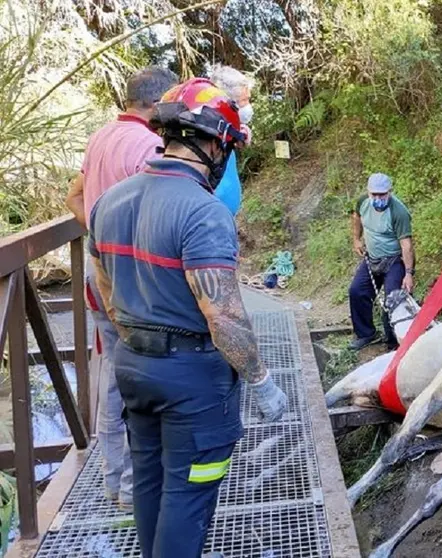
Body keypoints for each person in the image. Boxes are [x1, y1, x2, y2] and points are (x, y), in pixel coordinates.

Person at [88, 78, 288, 558]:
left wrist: (137, 341)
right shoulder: (203, 213)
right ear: (215, 144)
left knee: (150, 482)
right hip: (192, 382)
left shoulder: (108, 202)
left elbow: (105, 290)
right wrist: (260, 381)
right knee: (189, 495)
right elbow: (224, 317)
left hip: (133, 367)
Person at [64, 66, 178, 511]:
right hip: (134, 281)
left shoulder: (101, 137)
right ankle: (138, 487)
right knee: (144, 376)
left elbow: (74, 196)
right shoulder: (149, 145)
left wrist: (99, 235)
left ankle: (115, 481)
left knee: (114, 374)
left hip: (99, 273)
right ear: (159, 103)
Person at [348, 173, 415, 350]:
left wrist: (409, 273)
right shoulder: (363, 202)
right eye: (374, 194)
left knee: (393, 299)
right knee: (357, 291)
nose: (378, 199)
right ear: (368, 192)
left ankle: (394, 342)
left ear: (389, 192)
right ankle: (366, 334)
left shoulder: (398, 212)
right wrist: (356, 239)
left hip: (394, 260)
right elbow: (356, 217)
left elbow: (406, 245)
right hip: (372, 257)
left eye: (382, 194)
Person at [206, 64, 255, 216]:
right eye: (244, 100)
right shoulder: (205, 132)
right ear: (227, 102)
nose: (248, 106)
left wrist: (241, 131)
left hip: (224, 216)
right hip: (211, 217)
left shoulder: (227, 129)